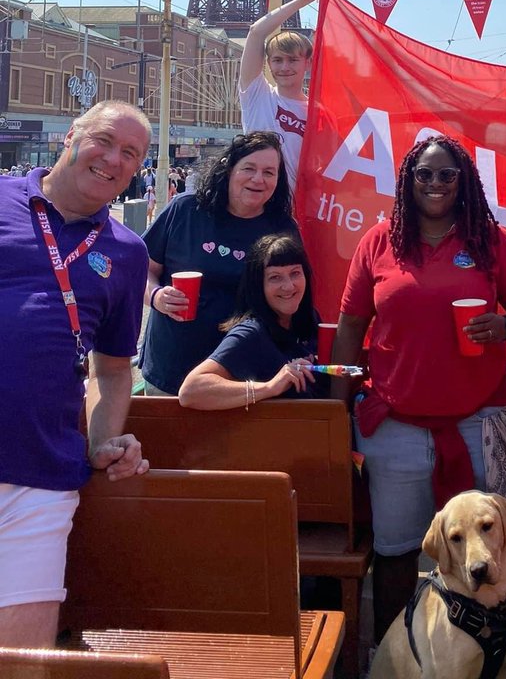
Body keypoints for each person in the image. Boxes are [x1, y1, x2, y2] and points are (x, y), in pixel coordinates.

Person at [331, 134, 506, 643]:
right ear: (408, 181)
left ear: (463, 181)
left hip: (479, 421)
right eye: (424, 173)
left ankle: (485, 653)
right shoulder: (378, 241)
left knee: (485, 556)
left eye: (446, 174)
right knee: (397, 552)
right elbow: (350, 327)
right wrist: (336, 413)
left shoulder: (491, 241)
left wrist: (505, 327)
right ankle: (394, 654)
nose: (435, 183)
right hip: (395, 425)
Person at [0, 101, 152, 647]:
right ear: (71, 135)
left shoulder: (127, 252)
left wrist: (104, 441)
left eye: (130, 154)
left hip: (39, 482)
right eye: (105, 141)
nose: (113, 159)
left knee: (21, 660)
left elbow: (113, 372)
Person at [140, 131, 297, 396]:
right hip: (170, 370)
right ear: (229, 169)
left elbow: (293, 291)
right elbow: (140, 269)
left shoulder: (282, 227)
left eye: (269, 172)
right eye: (249, 168)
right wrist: (156, 296)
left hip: (242, 375)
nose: (258, 179)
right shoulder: (186, 210)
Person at [179, 232, 323, 408]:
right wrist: (269, 387)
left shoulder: (311, 320)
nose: (289, 286)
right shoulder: (251, 333)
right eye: (275, 277)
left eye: (295, 273)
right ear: (258, 285)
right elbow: (190, 391)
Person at [239, 0, 320, 194]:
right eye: (277, 60)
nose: (284, 67)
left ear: (308, 63)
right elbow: (256, 32)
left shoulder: (319, 113)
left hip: (293, 212)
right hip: (253, 203)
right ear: (268, 63)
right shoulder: (256, 96)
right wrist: (302, 1)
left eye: (293, 60)